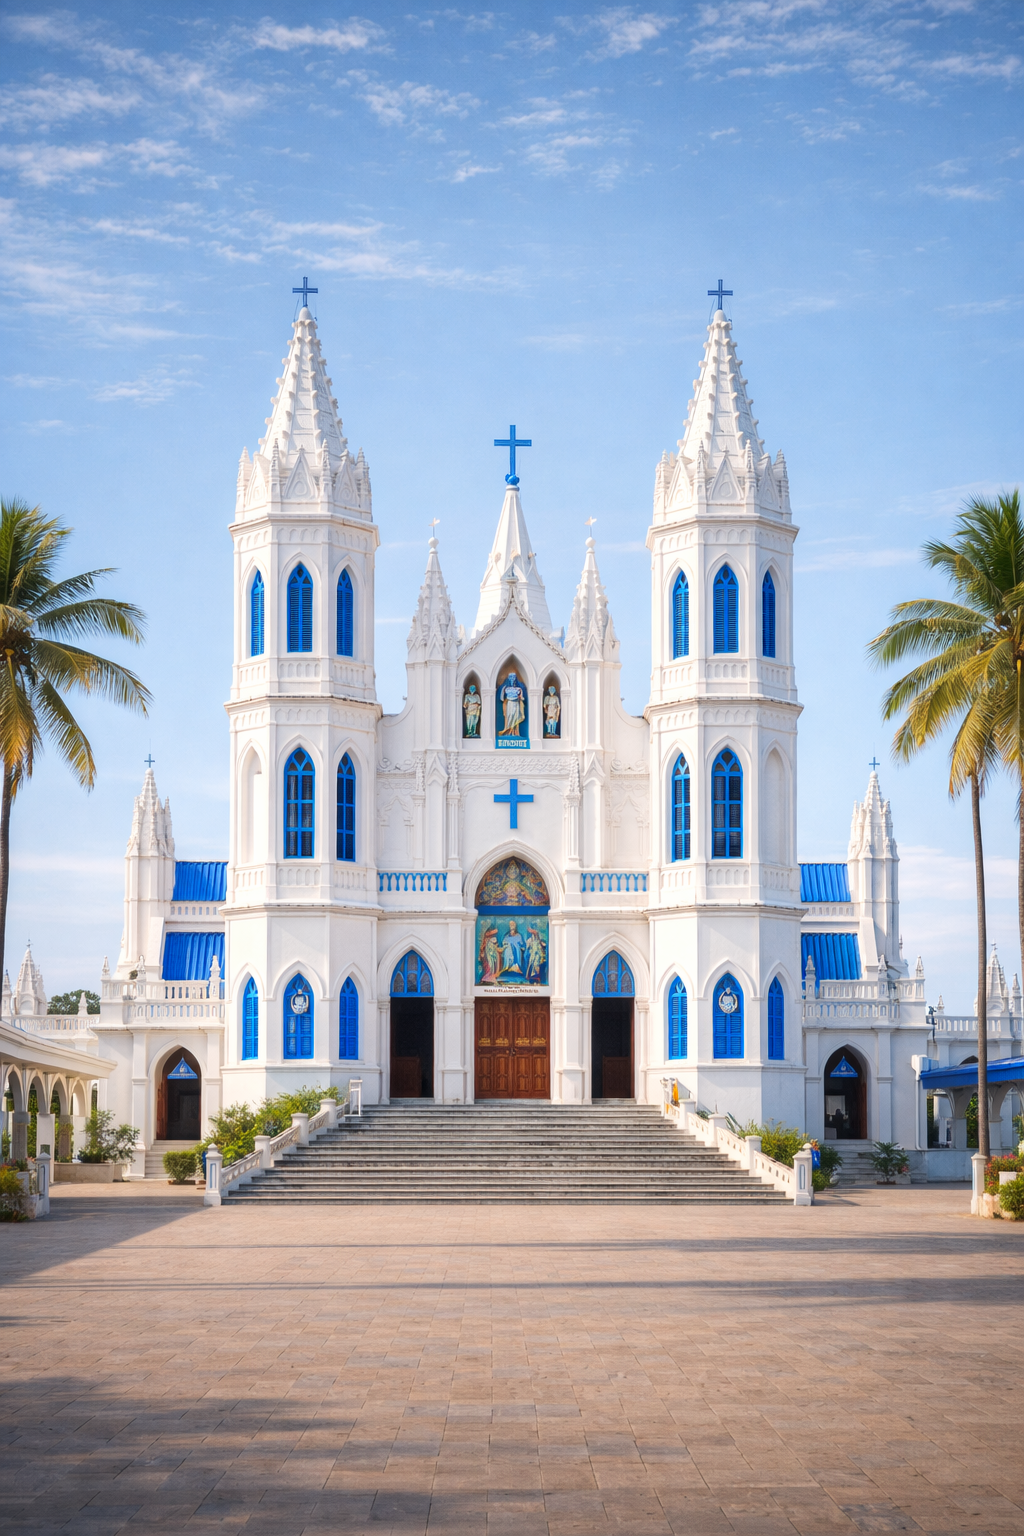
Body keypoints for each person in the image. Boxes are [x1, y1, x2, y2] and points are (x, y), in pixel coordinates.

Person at [498, 671, 526, 737]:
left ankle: (514, 733)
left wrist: (520, 697)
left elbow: (522, 698)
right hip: (509, 704)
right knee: (509, 716)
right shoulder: (506, 688)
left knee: (515, 717)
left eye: (514, 678)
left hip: (516, 704)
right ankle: (508, 732)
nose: (512, 680)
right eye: (511, 678)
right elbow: (502, 698)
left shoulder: (518, 689)